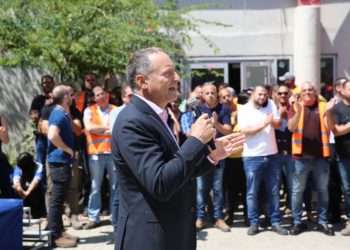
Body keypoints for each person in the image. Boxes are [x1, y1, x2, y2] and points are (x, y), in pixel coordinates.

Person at [112, 47, 245, 250]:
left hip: (173, 234)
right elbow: (161, 183)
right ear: (142, 81)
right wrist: (196, 140)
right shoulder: (133, 121)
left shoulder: (157, 115)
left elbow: (177, 171)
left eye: (175, 72)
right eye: (167, 74)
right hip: (151, 239)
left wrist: (212, 156)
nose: (176, 78)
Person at [238, 84, 288, 236]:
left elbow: (278, 124)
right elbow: (244, 131)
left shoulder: (271, 104)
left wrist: (272, 121)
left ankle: (275, 222)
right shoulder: (244, 109)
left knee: (273, 191)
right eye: (260, 94)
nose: (262, 97)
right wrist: (264, 123)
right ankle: (254, 223)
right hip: (252, 156)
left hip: (271, 155)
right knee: (252, 192)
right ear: (252, 94)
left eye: (265, 95)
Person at [288, 82, 334, 236]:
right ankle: (297, 222)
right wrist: (298, 112)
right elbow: (291, 128)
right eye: (304, 90)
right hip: (301, 157)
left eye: (310, 90)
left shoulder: (323, 106)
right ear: (300, 94)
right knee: (297, 191)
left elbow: (330, 127)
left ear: (315, 92)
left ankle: (322, 222)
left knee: (322, 190)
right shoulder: (295, 106)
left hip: (321, 156)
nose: (307, 92)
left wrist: (329, 112)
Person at [196, 83, 232, 233]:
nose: (210, 95)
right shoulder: (198, 110)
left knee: (217, 188)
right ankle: (200, 217)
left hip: (219, 154)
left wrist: (216, 124)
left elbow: (228, 130)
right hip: (202, 155)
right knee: (201, 188)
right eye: (207, 93)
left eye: (212, 92)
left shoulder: (224, 109)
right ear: (203, 95)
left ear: (217, 94)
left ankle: (218, 218)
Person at [47, 85, 78, 248]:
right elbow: (52, 135)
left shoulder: (60, 113)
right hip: (59, 163)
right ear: (66, 98)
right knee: (57, 200)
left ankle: (59, 231)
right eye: (71, 95)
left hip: (61, 163)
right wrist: (68, 150)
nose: (73, 97)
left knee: (59, 199)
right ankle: (53, 236)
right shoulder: (58, 114)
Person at [83, 85, 117, 229]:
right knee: (95, 186)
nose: (100, 96)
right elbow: (89, 128)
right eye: (97, 95)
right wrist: (108, 130)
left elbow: (118, 129)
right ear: (94, 98)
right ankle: (93, 217)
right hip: (96, 154)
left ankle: (115, 217)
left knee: (115, 186)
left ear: (107, 94)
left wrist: (99, 130)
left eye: (102, 93)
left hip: (113, 153)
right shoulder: (88, 110)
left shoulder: (116, 110)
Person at [327, 79, 350, 236]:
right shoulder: (337, 109)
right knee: (347, 190)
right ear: (342, 90)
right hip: (344, 155)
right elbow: (336, 131)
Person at [12, 152, 46, 218]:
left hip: (35, 191)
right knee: (15, 190)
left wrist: (28, 192)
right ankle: (22, 212)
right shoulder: (19, 167)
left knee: (38, 190)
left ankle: (38, 212)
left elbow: (36, 180)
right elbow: (16, 180)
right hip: (22, 191)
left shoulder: (39, 166)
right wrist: (20, 191)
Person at [0, 115, 14, 198]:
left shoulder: (1, 118)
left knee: (7, 191)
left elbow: (6, 140)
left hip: (0, 161)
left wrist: (2, 134)